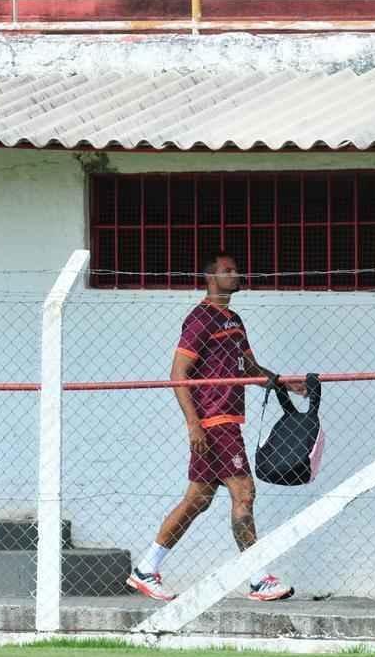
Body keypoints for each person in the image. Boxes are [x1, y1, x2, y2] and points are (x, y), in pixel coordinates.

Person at [127, 252, 300, 603]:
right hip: (214, 422)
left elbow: (249, 367)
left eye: (236, 269)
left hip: (226, 421)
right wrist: (194, 425)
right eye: (227, 270)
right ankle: (258, 578)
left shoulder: (234, 319)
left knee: (198, 499)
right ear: (210, 278)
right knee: (244, 492)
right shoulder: (200, 319)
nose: (236, 274)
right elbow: (178, 374)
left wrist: (283, 382)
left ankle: (146, 569)